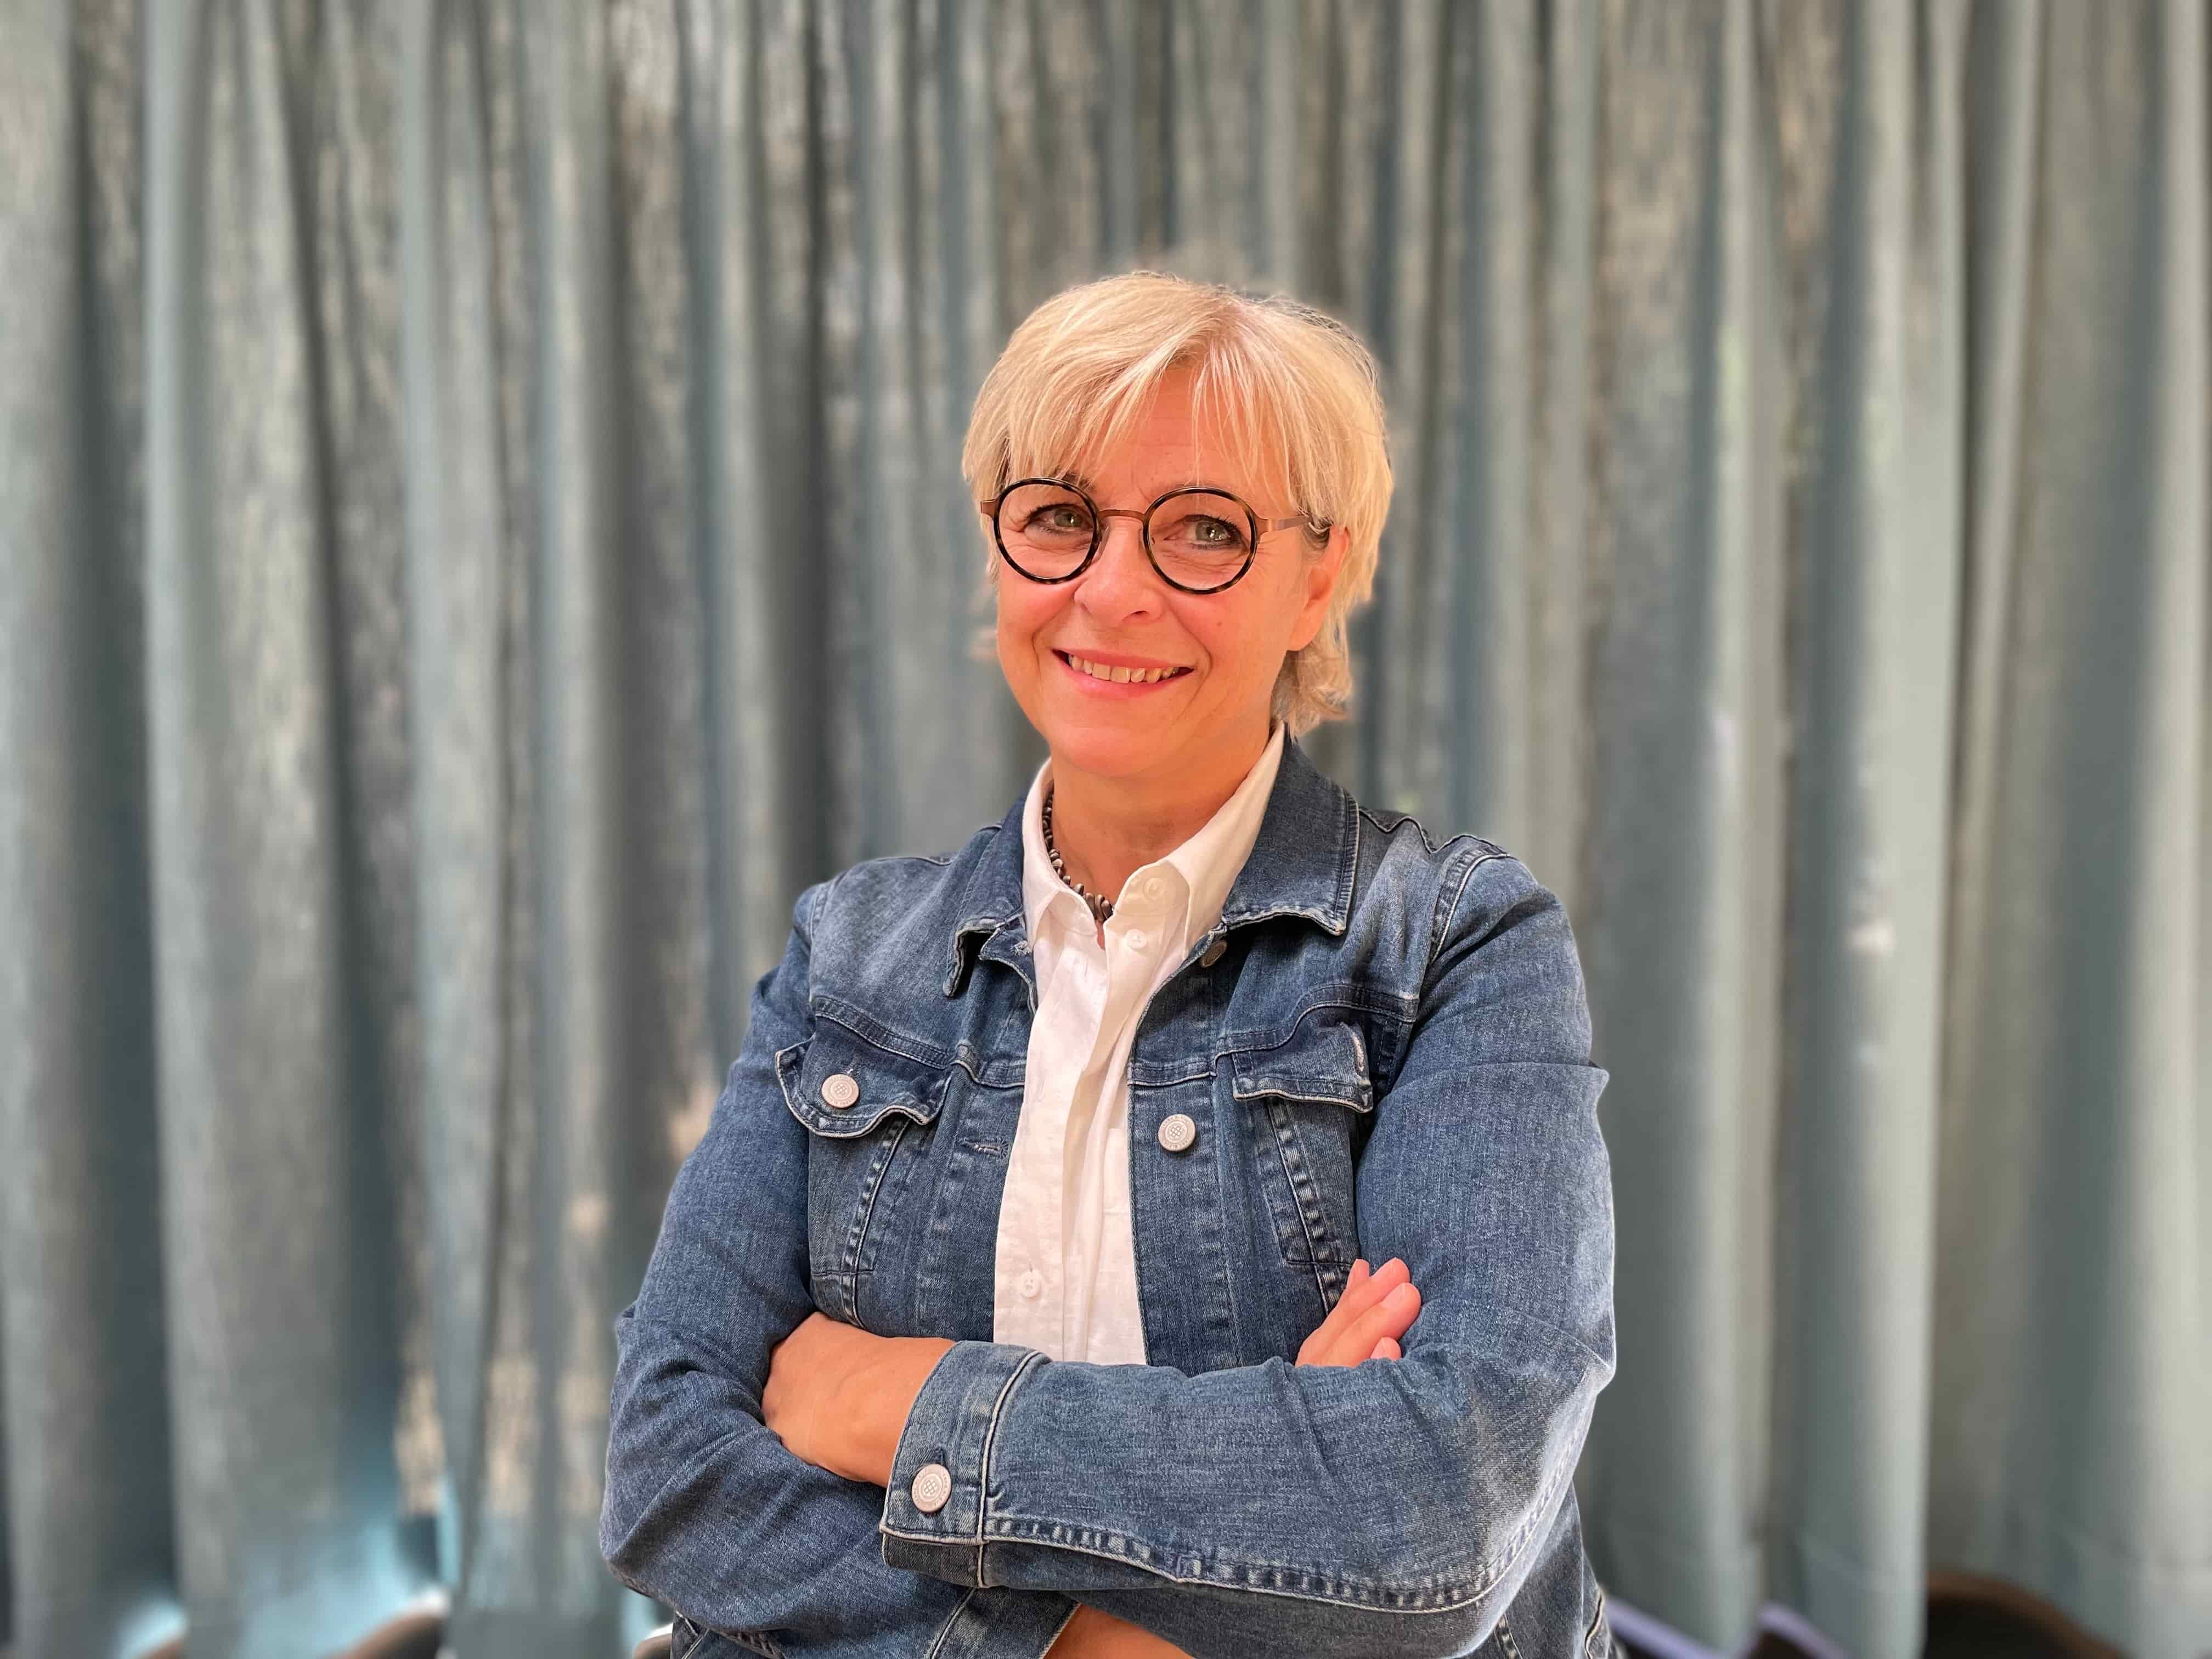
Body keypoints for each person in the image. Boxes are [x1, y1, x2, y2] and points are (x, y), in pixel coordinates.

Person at [600, 271, 1617, 1658]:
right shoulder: (851, 951)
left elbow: (1440, 1517)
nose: (1114, 589)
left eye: (1205, 529)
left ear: (1320, 575)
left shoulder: (1457, 943)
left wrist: (895, 1404)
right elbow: (669, 1473)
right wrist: (1120, 1635)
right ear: (999, 547)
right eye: (1060, 518)